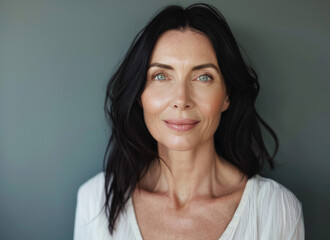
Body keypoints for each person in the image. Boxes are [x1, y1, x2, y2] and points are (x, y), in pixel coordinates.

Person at [74, 3, 304, 240]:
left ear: (227, 96)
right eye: (161, 76)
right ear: (139, 95)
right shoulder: (95, 200)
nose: (181, 99)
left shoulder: (276, 211)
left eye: (203, 77)